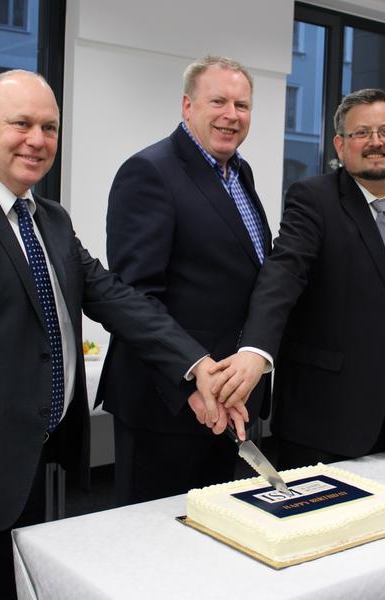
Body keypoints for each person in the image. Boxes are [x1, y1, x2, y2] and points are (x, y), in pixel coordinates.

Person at [0, 70, 240, 600]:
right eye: (21, 123)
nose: (37, 140)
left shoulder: (51, 220)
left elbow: (116, 298)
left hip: (33, 470)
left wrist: (196, 364)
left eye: (49, 127)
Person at [212, 88, 385, 468]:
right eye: (361, 133)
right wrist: (255, 350)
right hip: (322, 417)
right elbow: (283, 275)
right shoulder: (313, 199)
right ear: (340, 144)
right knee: (312, 523)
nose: (376, 142)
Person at [96, 56, 272, 506]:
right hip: (168, 403)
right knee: (153, 547)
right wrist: (191, 382)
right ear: (187, 105)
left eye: (242, 104)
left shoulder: (240, 173)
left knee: (212, 539)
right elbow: (136, 298)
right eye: (218, 101)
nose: (231, 114)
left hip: (226, 401)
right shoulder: (150, 172)